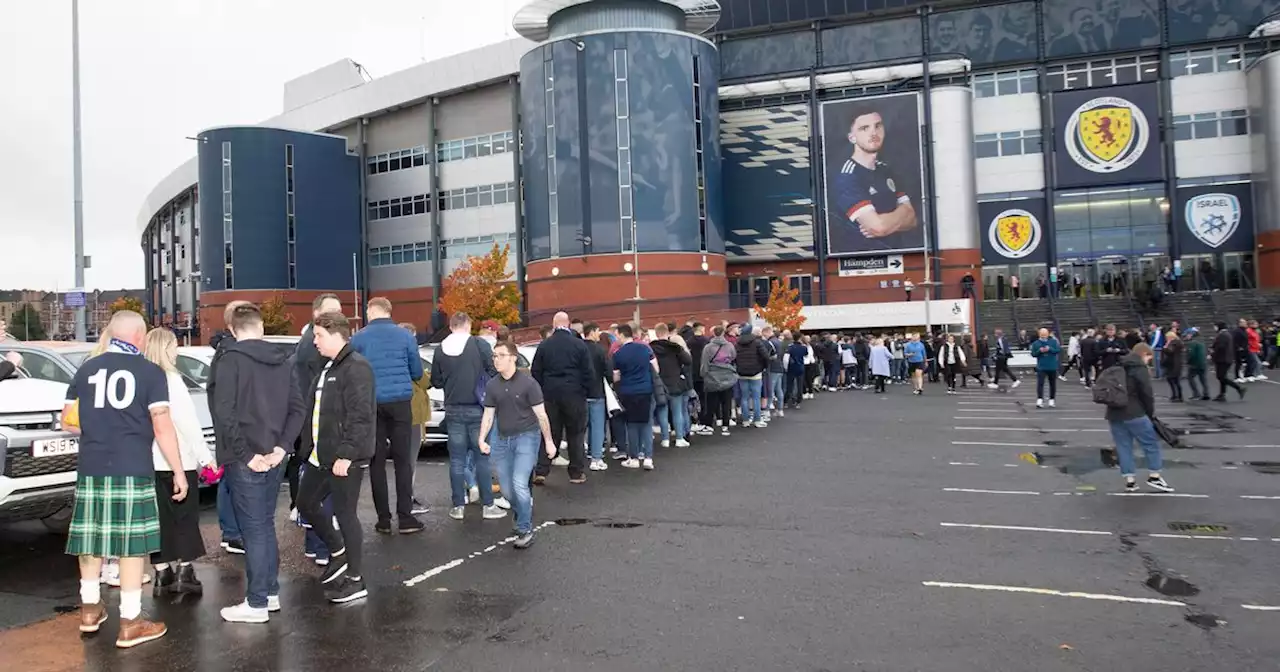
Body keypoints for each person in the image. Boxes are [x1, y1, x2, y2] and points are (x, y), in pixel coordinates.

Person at [63, 311, 188, 648]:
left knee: (90, 539)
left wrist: (100, 427)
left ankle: (90, 609)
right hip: (132, 465)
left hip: (92, 465)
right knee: (133, 547)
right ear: (138, 335)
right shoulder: (150, 372)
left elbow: (68, 422)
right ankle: (131, 621)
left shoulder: (86, 369)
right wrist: (178, 470)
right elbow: (161, 426)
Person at [212, 303, 306, 624]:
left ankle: (256, 602)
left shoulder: (229, 361)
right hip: (275, 456)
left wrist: (247, 455)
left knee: (254, 529)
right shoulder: (284, 361)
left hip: (245, 459)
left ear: (233, 331)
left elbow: (224, 413)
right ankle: (269, 593)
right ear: (261, 327)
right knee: (264, 525)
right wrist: (282, 448)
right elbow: (298, 409)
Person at [297, 312, 377, 604]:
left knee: (345, 515)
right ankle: (338, 551)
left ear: (335, 334)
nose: (314, 341)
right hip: (321, 456)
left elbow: (361, 415)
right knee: (305, 503)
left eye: (318, 335)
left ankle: (356, 580)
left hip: (345, 458)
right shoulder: (328, 367)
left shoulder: (356, 368)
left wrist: (347, 454)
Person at [142, 328, 214, 596]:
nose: (176, 350)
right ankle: (186, 570)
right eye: (173, 345)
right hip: (177, 458)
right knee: (184, 518)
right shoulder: (171, 380)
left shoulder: (143, 378)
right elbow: (187, 423)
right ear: (166, 348)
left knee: (158, 518)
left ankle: (161, 572)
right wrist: (205, 456)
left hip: (148, 459)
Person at [350, 297, 425, 534]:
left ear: (370, 313)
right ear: (389, 312)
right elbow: (416, 371)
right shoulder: (405, 336)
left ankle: (383, 519)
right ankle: (405, 517)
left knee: (376, 462)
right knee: (403, 461)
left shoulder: (358, 338)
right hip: (401, 401)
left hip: (372, 403)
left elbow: (353, 370)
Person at [479, 342, 558, 549]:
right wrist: (481, 438)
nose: (496, 359)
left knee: (519, 483)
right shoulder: (492, 385)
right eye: (494, 356)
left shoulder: (529, 384)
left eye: (501, 355)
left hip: (527, 437)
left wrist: (549, 442)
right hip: (502, 439)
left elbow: (541, 415)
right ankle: (521, 512)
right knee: (506, 489)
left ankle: (525, 528)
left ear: (513, 357)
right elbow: (488, 415)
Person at [430, 312, 503, 520]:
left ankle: (458, 506)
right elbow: (493, 370)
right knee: (482, 458)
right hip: (478, 408)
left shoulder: (440, 348)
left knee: (457, 460)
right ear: (469, 325)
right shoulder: (479, 345)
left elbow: (436, 380)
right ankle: (488, 505)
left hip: (452, 409)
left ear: (451, 326)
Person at [832, 110, 918, 250]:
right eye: (864, 128)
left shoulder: (886, 171)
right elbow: (878, 227)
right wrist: (900, 215)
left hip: (897, 258)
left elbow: (912, 219)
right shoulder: (847, 177)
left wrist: (886, 223)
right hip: (864, 263)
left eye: (877, 126)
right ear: (851, 138)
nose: (873, 133)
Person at [291, 294, 342, 520]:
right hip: (313, 419)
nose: (336, 315)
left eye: (339, 311)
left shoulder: (314, 342)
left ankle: (304, 509)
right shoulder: (315, 348)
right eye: (330, 311)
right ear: (316, 314)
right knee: (313, 469)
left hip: (310, 417)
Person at [208, 301, 251, 555]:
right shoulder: (230, 353)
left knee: (229, 478)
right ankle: (233, 533)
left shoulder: (225, 350)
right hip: (231, 426)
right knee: (231, 479)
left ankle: (232, 531)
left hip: (226, 424)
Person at [531, 312, 594, 484]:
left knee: (549, 432)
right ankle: (576, 472)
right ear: (568, 325)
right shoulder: (579, 345)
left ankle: (542, 470)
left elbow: (536, 371)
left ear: (553, 325)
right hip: (574, 393)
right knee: (576, 433)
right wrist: (585, 390)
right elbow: (588, 371)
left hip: (550, 394)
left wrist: (542, 390)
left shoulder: (544, 345)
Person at [1102, 343, 1172, 493]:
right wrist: (1150, 413)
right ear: (1144, 354)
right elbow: (1146, 392)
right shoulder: (1139, 368)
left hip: (1114, 412)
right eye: (1149, 358)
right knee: (1151, 443)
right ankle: (1154, 475)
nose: (1149, 361)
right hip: (1135, 412)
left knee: (1123, 446)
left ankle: (1130, 481)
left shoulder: (1118, 365)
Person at [613, 324, 660, 468]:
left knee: (632, 425)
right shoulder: (645, 348)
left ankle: (634, 458)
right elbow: (656, 368)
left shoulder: (618, 354)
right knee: (646, 424)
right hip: (645, 390)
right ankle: (648, 458)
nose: (616, 338)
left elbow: (616, 377)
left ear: (622, 335)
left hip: (628, 392)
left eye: (616, 335)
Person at [651, 324, 692, 447]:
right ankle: (679, 438)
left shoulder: (650, 347)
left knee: (662, 411)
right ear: (667, 333)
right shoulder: (675, 347)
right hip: (675, 383)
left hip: (659, 384)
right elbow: (688, 360)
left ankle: (665, 439)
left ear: (656, 333)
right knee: (677, 411)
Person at [582, 323, 611, 471]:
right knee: (598, 426)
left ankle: (584, 452)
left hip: (580, 393)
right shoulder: (600, 350)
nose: (599, 334)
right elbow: (608, 371)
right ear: (592, 332)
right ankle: (596, 458)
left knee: (581, 426)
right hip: (597, 391)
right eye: (598, 331)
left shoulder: (578, 348)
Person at [700, 326, 738, 435]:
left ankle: (709, 425)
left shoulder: (708, 347)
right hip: (727, 375)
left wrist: (704, 375)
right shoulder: (730, 346)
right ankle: (725, 425)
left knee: (711, 402)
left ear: (713, 334)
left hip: (712, 376)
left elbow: (705, 363)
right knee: (726, 402)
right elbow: (733, 357)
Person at [734, 323, 770, 428]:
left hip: (741, 373)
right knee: (756, 397)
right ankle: (757, 420)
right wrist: (763, 367)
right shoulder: (757, 343)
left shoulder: (737, 344)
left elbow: (734, 358)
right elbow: (766, 357)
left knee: (744, 397)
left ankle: (746, 420)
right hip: (756, 373)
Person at [1212, 322, 1246, 402]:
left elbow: (1221, 347)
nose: (1214, 328)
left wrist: (1213, 353)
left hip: (1223, 359)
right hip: (1226, 358)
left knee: (1221, 376)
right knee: (1222, 376)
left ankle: (1239, 388)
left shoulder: (1223, 335)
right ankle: (1222, 394)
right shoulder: (1226, 334)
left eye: (1215, 326)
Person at [1029, 328, 1061, 409]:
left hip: (1052, 366)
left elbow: (1058, 350)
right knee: (1040, 383)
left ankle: (1051, 400)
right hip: (1041, 366)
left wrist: (1050, 349)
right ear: (1039, 335)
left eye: (1045, 336)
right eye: (1042, 336)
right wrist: (1039, 351)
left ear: (1048, 334)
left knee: (1052, 384)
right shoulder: (1036, 343)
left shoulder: (1053, 341)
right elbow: (1033, 354)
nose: (1044, 337)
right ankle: (1039, 399)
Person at [763, 326, 786, 417]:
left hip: (772, 368)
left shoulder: (770, 343)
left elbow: (769, 356)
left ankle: (767, 410)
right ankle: (780, 410)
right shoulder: (780, 342)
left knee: (770, 389)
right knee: (779, 389)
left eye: (764, 334)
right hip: (780, 367)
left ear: (767, 332)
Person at [1184, 328, 1210, 401]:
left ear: (1191, 334)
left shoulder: (1192, 343)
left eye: (1187, 335)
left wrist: (1188, 361)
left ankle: (1196, 393)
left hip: (1195, 364)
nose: (1186, 337)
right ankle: (1206, 394)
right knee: (1203, 379)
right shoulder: (1201, 341)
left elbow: (1191, 354)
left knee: (1190, 377)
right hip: (1203, 363)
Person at [1162, 330, 1185, 403]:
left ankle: (1178, 396)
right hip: (1174, 363)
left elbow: (1170, 352)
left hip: (1173, 364)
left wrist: (1165, 347)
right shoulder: (1177, 343)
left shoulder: (1174, 343)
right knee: (1173, 380)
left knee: (1174, 380)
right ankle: (1176, 395)